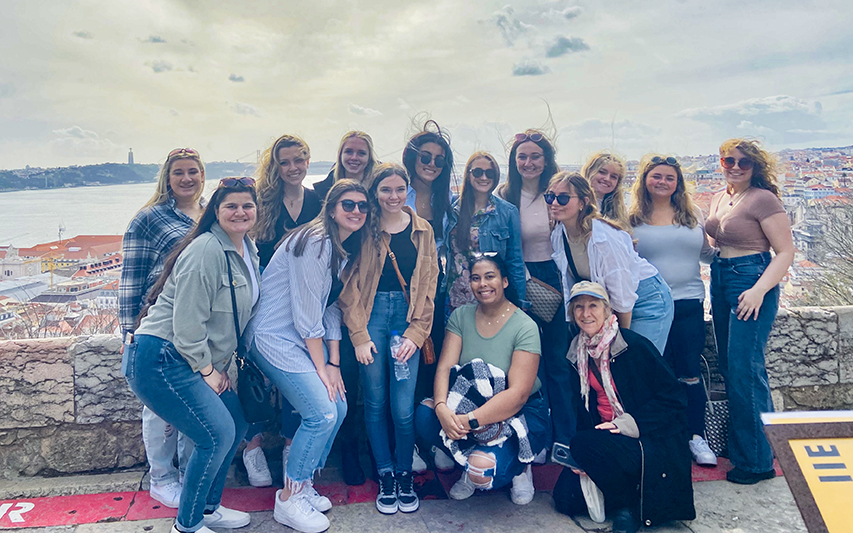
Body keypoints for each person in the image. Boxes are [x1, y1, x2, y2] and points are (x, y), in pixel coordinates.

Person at [124, 177, 260, 533]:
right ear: (216, 210)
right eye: (231, 205)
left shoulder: (247, 248)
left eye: (247, 205)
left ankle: (209, 507)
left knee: (237, 423)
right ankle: (187, 525)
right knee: (214, 435)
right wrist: (207, 370)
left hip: (188, 357)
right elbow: (186, 324)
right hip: (163, 357)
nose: (240, 212)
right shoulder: (206, 250)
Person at [246, 180, 372, 533]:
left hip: (300, 338)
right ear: (331, 208)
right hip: (273, 337)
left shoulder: (341, 248)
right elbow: (306, 315)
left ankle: (305, 484)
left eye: (363, 206)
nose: (357, 212)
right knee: (322, 413)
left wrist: (333, 364)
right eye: (349, 205)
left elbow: (329, 309)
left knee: (340, 407)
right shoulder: (315, 242)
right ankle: (289, 498)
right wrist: (323, 368)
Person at [552, 281, 694, 533]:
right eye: (579, 307)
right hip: (607, 438)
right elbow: (583, 410)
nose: (586, 314)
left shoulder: (633, 346)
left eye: (593, 306)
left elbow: (675, 399)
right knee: (565, 499)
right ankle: (625, 487)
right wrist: (582, 460)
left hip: (648, 438)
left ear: (607, 311)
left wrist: (628, 424)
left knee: (584, 445)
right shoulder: (578, 352)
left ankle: (628, 505)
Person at [339, 163, 439, 514]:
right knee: (376, 401)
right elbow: (348, 285)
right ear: (375, 192)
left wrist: (416, 332)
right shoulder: (363, 228)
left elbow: (429, 287)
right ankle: (385, 473)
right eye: (385, 190)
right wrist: (359, 334)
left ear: (407, 190)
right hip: (371, 317)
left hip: (407, 320)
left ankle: (403, 472)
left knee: (402, 406)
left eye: (399, 189)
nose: (393, 196)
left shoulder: (422, 230)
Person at [415, 255, 551, 506]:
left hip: (518, 413)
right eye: (476, 278)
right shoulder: (461, 316)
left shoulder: (525, 325)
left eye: (490, 277)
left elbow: (518, 394)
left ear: (505, 281)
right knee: (425, 417)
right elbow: (445, 366)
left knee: (485, 473)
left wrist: (469, 421)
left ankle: (520, 467)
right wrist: (442, 407)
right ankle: (467, 458)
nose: (482, 284)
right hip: (469, 403)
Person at [119, 147, 205, 509]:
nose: (186, 178)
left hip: (201, 324)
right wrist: (128, 330)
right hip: (159, 322)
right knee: (159, 407)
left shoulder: (211, 214)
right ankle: (161, 478)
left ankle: (189, 474)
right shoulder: (149, 219)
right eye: (178, 172)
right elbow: (131, 277)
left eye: (193, 171)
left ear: (203, 175)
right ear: (167, 179)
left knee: (195, 404)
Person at [705, 138, 794, 484]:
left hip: (751, 278)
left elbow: (785, 252)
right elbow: (713, 245)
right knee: (731, 368)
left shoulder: (763, 198)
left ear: (756, 166)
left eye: (744, 162)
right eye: (730, 160)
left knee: (746, 370)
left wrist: (759, 290)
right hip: (721, 277)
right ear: (721, 162)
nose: (736, 166)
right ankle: (752, 446)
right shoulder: (718, 197)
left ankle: (757, 463)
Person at [243, 134, 323, 488]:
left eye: (298, 160)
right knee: (254, 377)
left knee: (299, 373)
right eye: (285, 162)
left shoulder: (317, 200)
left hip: (302, 300)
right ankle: (252, 447)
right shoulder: (261, 201)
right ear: (275, 166)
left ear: (308, 161)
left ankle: (293, 445)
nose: (292, 168)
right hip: (262, 298)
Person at [629, 154, 719, 467]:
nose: (663, 182)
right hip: (649, 307)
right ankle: (662, 436)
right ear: (645, 180)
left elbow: (707, 254)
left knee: (690, 373)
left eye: (670, 177)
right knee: (655, 374)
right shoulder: (633, 218)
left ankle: (696, 435)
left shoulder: (692, 214)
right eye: (657, 176)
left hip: (689, 301)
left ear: (678, 183)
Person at [497, 130, 574, 446]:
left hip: (558, 278)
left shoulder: (558, 192)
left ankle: (565, 437)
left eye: (535, 156)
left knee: (558, 362)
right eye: (522, 157)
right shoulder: (505, 195)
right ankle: (532, 435)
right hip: (520, 280)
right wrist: (521, 281)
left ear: (547, 161)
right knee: (523, 364)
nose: (528, 163)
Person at [547, 172, 674, 356]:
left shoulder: (605, 239)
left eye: (563, 198)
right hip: (615, 303)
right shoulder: (559, 235)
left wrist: (619, 340)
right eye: (550, 197)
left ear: (583, 202)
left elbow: (623, 297)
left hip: (647, 300)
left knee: (637, 363)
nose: (555, 203)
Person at [313, 131, 378, 485]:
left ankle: (368, 448)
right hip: (332, 301)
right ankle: (347, 451)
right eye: (348, 151)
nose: (355, 157)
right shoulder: (322, 193)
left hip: (367, 295)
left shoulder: (375, 195)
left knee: (370, 384)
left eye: (361, 153)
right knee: (344, 379)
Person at [402, 121, 455, 470]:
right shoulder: (397, 191)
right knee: (403, 367)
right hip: (401, 288)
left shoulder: (445, 200)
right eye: (425, 156)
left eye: (439, 159)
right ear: (412, 157)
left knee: (433, 364)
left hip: (438, 290)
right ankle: (408, 445)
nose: (431, 164)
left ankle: (432, 438)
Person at [445, 151, 526, 316]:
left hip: (489, 295)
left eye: (489, 173)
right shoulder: (453, 208)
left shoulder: (507, 212)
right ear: (468, 174)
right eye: (477, 172)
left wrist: (519, 301)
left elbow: (515, 260)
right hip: (455, 296)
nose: (483, 177)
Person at [313, 130, 378, 199]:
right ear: (340, 155)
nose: (354, 158)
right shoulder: (320, 194)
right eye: (349, 152)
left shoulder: (379, 192)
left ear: (369, 157)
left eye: (361, 153)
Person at [582, 151, 630, 228]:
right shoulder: (576, 204)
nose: (607, 179)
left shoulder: (619, 213)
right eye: (602, 172)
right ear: (589, 172)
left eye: (613, 177)